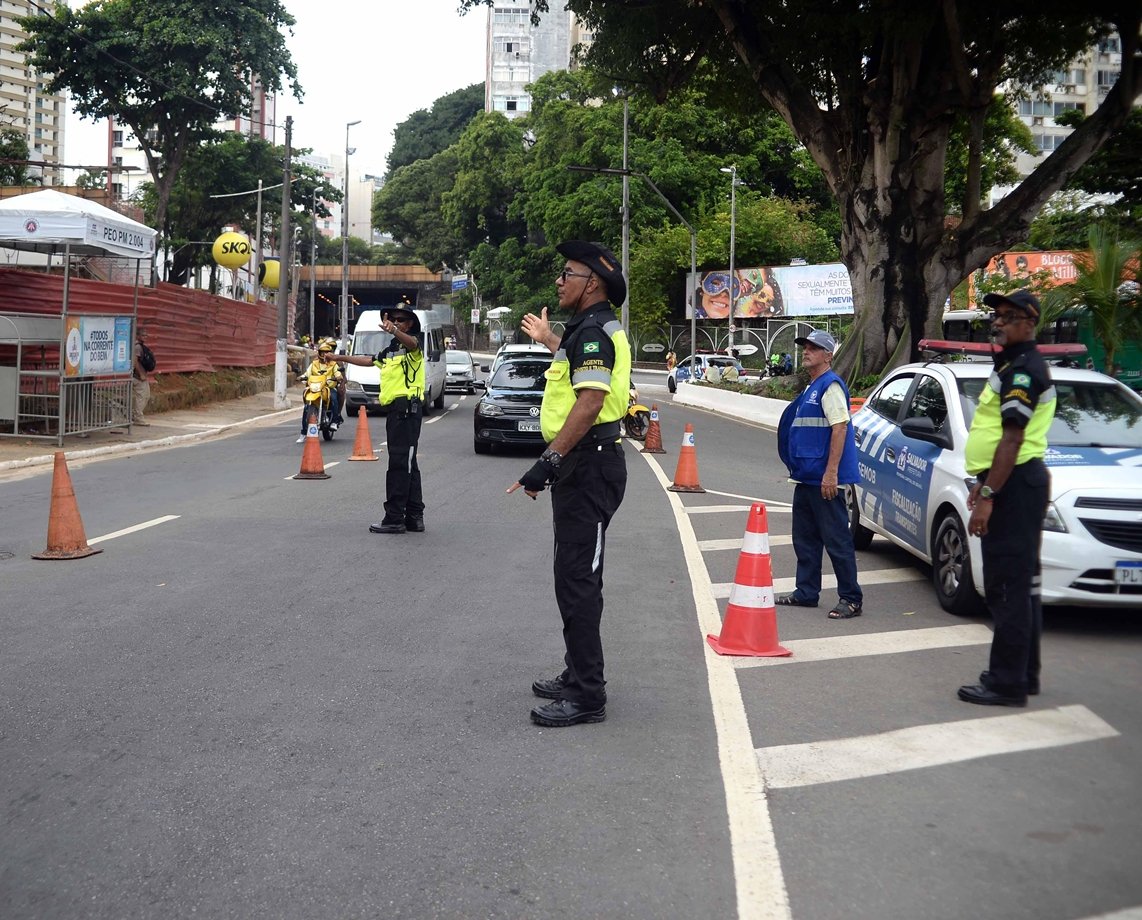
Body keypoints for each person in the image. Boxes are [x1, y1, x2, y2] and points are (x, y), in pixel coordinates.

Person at [508, 240, 631, 727]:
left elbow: (590, 401)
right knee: (572, 578)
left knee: (578, 581)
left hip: (588, 465)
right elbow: (580, 366)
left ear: (592, 283)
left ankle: (587, 695)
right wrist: (548, 339)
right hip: (583, 466)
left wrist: (549, 460)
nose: (559, 281)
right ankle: (576, 672)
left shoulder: (595, 332)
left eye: (567, 273)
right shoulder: (586, 331)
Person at [957, 290, 1056, 707]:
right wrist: (983, 483)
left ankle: (1006, 683)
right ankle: (1024, 674)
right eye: (995, 316)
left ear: (1029, 323)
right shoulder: (1013, 364)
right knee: (1024, 586)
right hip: (1015, 482)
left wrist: (988, 495)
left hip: (1014, 485)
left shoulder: (1022, 371)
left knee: (1006, 588)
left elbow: (1012, 439)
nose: (997, 323)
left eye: (1008, 317)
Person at [776, 329, 864, 619]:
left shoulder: (830, 386)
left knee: (837, 541)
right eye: (805, 347)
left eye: (814, 348)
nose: (807, 351)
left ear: (828, 355)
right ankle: (806, 592)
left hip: (824, 481)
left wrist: (831, 474)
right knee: (805, 540)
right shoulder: (812, 387)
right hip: (806, 478)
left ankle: (851, 598)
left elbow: (840, 428)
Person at [326, 306, 426, 534]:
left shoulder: (414, 344)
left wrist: (395, 331)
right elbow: (370, 360)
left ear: (410, 323)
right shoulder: (392, 348)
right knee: (409, 465)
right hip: (397, 413)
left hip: (407, 413)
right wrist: (339, 357)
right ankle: (414, 517)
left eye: (400, 320)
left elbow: (411, 344)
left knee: (399, 466)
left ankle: (394, 518)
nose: (395, 322)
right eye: (393, 320)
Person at [295, 341, 344, 442]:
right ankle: (303, 433)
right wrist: (302, 377)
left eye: (327, 353)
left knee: (334, 398)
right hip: (315, 388)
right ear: (319, 353)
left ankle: (334, 421)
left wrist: (338, 377)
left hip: (328, 387)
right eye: (323, 353)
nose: (325, 355)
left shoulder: (334, 364)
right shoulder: (314, 364)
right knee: (306, 407)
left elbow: (338, 373)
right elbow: (307, 373)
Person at [132, 327, 152, 426]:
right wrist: (140, 374)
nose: (145, 337)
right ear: (138, 336)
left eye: (146, 335)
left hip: (141, 376)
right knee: (141, 396)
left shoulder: (140, 346)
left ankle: (136, 415)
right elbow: (135, 362)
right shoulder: (137, 347)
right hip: (138, 376)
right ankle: (138, 418)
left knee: (146, 396)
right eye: (143, 335)